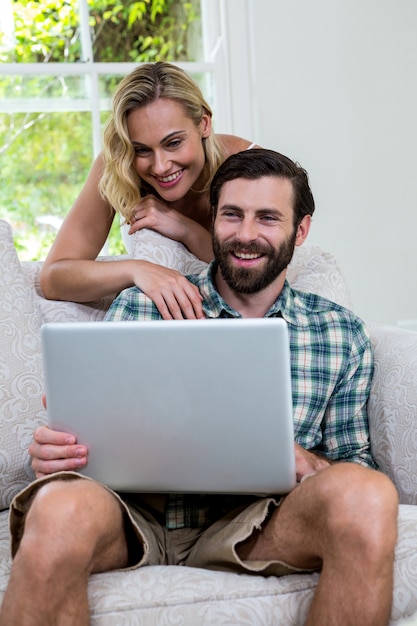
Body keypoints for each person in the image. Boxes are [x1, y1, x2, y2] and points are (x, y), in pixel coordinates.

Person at [0, 149, 398, 626]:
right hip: (132, 515)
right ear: (213, 220)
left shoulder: (339, 334)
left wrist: (309, 464)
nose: (246, 234)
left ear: (301, 230)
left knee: (367, 494)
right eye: (232, 215)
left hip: (260, 521)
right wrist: (56, 451)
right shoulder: (144, 307)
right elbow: (83, 433)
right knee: (57, 506)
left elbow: (355, 462)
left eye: (267, 217)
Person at [39, 61, 258, 320]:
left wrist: (184, 228)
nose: (161, 166)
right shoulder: (118, 166)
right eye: (141, 149)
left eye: (174, 143)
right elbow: (54, 277)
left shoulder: (249, 166)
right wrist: (138, 270)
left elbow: (259, 270)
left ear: (204, 124)